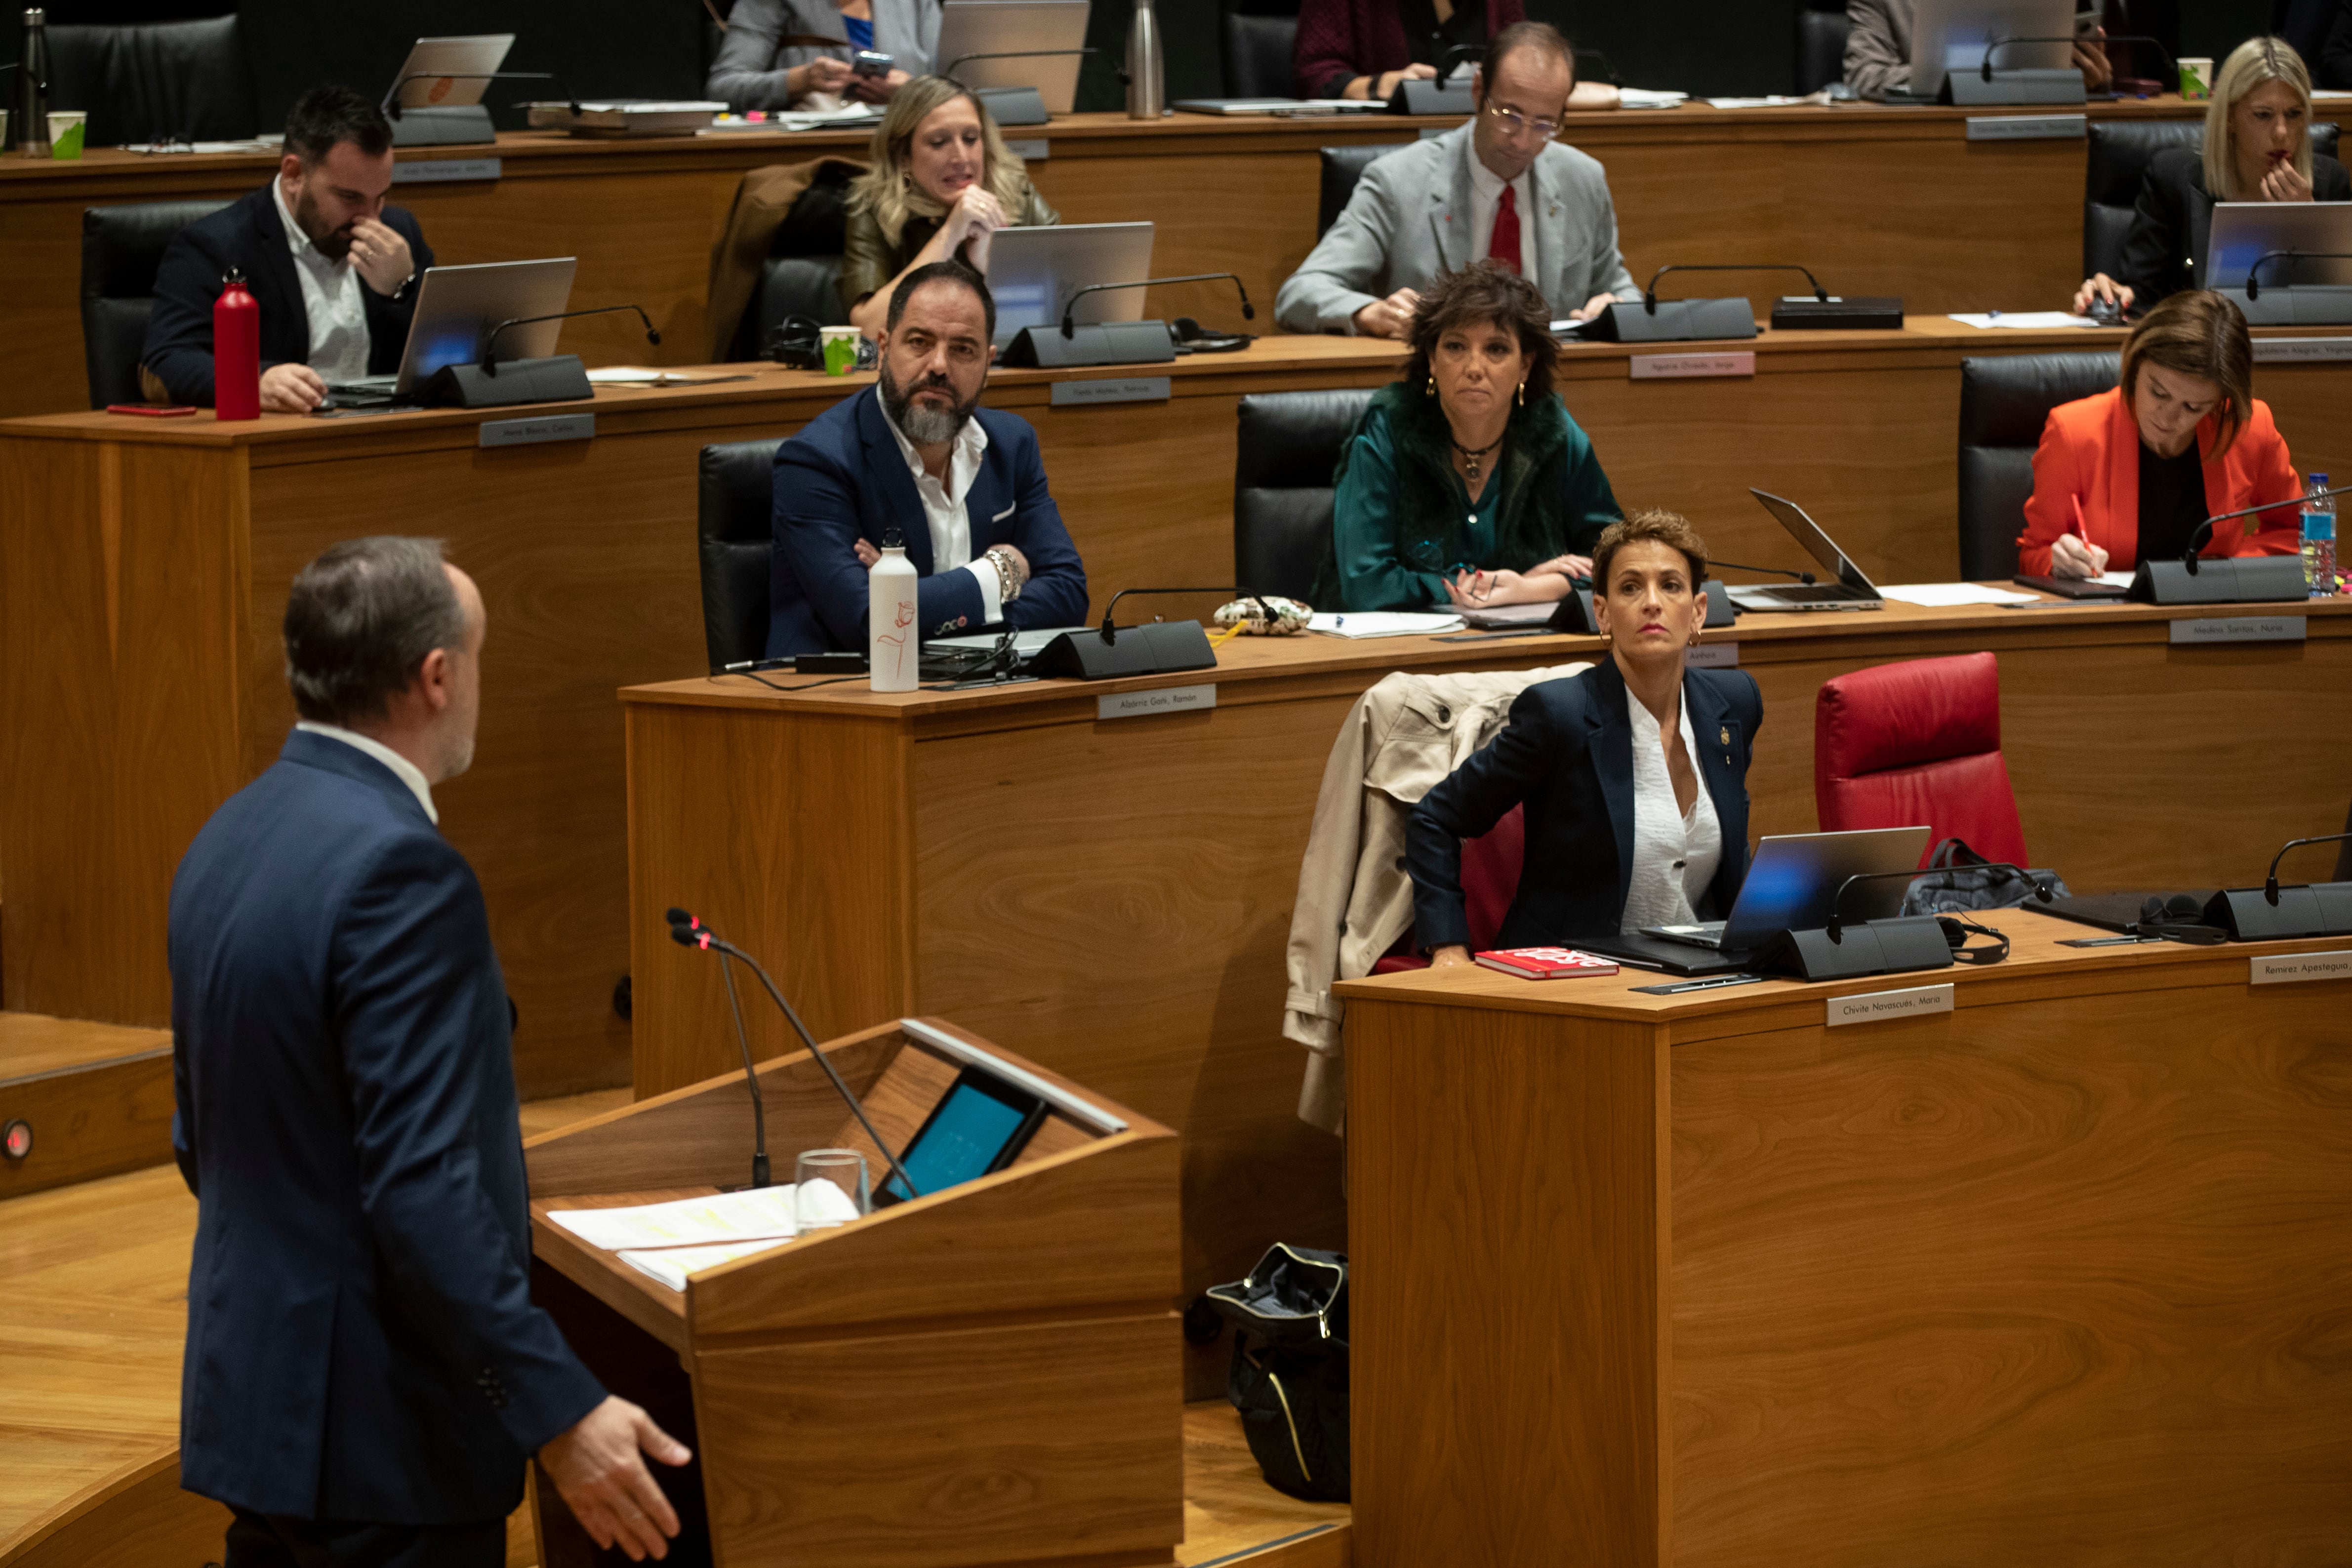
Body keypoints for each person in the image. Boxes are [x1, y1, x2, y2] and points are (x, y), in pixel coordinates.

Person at [169, 537, 692, 1567]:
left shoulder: (227, 836)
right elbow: (424, 1194)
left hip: (259, 1407)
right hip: (385, 1442)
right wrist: (554, 1409)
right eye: (479, 657)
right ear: (437, 676)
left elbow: (204, 1139)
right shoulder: (401, 874)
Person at [1405, 511, 1761, 952]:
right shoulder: (1560, 715)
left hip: (1699, 975)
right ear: (1602, 613)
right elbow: (1433, 819)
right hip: (1573, 980)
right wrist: (1449, 950)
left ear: (1698, 612)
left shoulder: (1733, 703)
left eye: (1671, 585)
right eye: (1631, 587)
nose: (1653, 602)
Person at [768, 262, 1088, 655]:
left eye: (962, 350)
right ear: (883, 349)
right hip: (843, 700)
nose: (938, 366)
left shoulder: (1012, 444)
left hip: (969, 689)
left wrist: (917, 602)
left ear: (988, 365)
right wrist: (999, 574)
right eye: (919, 342)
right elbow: (871, 623)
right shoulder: (817, 461)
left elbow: (1070, 594)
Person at [1275, 22, 1637, 339]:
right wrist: (1370, 314)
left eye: (1545, 124)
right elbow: (1302, 292)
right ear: (1478, 90)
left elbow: (1622, 292)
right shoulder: (1397, 181)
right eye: (1509, 115)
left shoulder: (1583, 179)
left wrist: (1615, 308)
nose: (1524, 141)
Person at [1311, 260, 1620, 612]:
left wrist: (1532, 588)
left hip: (1526, 647)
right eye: (1456, 347)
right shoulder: (1390, 427)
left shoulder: (1552, 430)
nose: (1474, 368)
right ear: (1431, 358)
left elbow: (1619, 557)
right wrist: (1492, 585)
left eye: (1496, 349)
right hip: (1398, 650)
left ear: (1526, 365)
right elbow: (1366, 585)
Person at [143, 86, 433, 413]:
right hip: (283, 439)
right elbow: (167, 361)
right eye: (349, 198)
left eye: (380, 196)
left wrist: (403, 289)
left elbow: (446, 359)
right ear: (294, 174)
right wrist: (256, 380)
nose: (370, 218)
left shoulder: (398, 234)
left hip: (382, 435)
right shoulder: (216, 246)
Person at [2017, 290, 2303, 578]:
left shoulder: (2246, 427)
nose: (2167, 418)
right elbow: (2034, 555)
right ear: (2137, 363)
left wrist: (2227, 571)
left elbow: (2295, 530)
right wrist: (2058, 563)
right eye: (2158, 392)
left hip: (2213, 619)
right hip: (2116, 618)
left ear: (2219, 401)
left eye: (2193, 407)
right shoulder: (2074, 432)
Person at [2074, 36, 2351, 317]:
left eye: (2294, 114)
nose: (2282, 132)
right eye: (2263, 115)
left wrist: (2309, 226)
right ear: (2230, 117)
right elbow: (2144, 298)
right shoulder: (2173, 181)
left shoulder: (2330, 185)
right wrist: (2115, 295)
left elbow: (2340, 306)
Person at [839, 76, 1057, 337]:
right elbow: (869, 329)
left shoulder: (1017, 194)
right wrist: (949, 235)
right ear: (903, 154)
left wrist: (988, 267)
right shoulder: (872, 204)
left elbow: (1066, 304)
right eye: (939, 142)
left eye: (970, 138)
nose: (961, 158)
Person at [1290, 0, 1619, 105]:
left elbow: (1522, 58)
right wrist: (1383, 86)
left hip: (1485, 143)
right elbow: (1314, 75)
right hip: (1384, 148)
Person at [1842, 0, 2113, 100]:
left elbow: (2077, 63)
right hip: (1931, 142)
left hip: (2037, 137)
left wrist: (2094, 78)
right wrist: (1962, 78)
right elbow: (1864, 74)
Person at [705, 0, 933, 111]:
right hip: (811, 160)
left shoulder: (916, 4)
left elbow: (956, 86)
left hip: (905, 154)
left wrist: (913, 93)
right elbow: (722, 89)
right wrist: (798, 82)